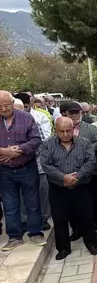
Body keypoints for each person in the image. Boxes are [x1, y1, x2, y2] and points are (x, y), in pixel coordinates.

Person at [40, 117, 97, 260]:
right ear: (55, 130)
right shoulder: (48, 145)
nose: (65, 134)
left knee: (87, 216)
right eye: (61, 131)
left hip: (81, 186)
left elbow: (90, 162)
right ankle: (63, 248)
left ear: (74, 129)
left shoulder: (84, 143)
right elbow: (46, 164)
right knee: (60, 219)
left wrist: (76, 177)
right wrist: (63, 177)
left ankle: (91, 243)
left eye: (68, 130)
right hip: (58, 188)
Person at [0, 90, 45, 251]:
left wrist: (17, 150)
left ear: (12, 103)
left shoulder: (26, 118)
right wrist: (4, 152)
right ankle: (14, 237)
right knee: (10, 205)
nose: (4, 109)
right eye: (0, 106)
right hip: (4, 170)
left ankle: (35, 233)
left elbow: (36, 140)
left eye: (6, 105)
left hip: (26, 167)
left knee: (32, 202)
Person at [62, 102, 97, 238]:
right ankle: (77, 229)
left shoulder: (90, 128)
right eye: (71, 113)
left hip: (91, 170)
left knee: (96, 200)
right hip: (71, 172)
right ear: (67, 114)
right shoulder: (62, 129)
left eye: (76, 113)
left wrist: (83, 149)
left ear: (81, 113)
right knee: (74, 202)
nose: (74, 115)